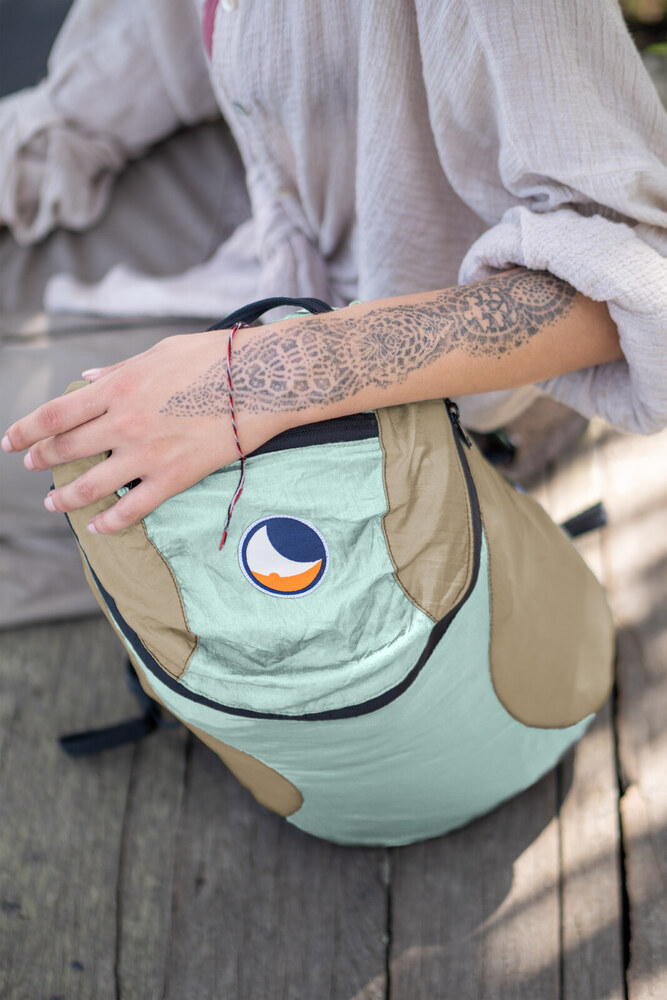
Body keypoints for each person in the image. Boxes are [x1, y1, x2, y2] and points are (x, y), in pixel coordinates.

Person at [1, 0, 666, 628]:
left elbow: (630, 279)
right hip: (262, 219)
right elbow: (104, 91)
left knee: (47, 460)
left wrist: (257, 378)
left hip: (433, 381)